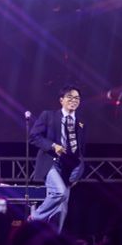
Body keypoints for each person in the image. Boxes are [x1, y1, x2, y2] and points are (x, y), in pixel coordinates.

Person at [29, 85, 85, 232]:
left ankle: (53, 239)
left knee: (61, 210)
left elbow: (80, 151)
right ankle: (35, 218)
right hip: (51, 163)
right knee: (59, 192)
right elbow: (34, 137)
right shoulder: (48, 115)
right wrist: (53, 146)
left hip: (69, 168)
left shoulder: (80, 123)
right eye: (70, 97)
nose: (74, 100)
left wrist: (78, 173)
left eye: (77, 98)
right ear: (61, 100)